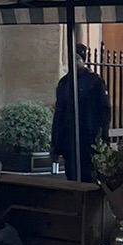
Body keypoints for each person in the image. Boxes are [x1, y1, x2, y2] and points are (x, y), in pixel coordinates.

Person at [51, 44, 111, 177]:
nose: (74, 62)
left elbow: (104, 111)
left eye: (77, 58)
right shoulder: (64, 83)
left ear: (83, 60)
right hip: (69, 139)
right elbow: (59, 113)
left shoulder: (94, 82)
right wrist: (56, 144)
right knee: (71, 176)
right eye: (71, 58)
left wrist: (103, 138)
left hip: (89, 139)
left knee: (89, 176)